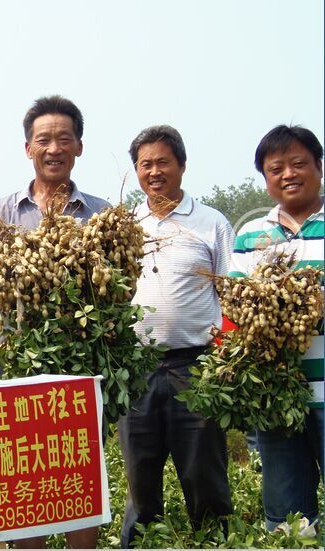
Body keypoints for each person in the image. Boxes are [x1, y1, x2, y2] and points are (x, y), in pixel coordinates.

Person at [0, 95, 110, 549]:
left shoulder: (100, 214)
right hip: (15, 351)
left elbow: (118, 289)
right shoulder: (3, 213)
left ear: (79, 147)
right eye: (44, 140)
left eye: (64, 139)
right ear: (28, 148)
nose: (54, 149)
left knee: (81, 464)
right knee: (20, 465)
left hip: (82, 350)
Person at [118, 125, 234, 547]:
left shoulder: (211, 223)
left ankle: (215, 542)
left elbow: (232, 295)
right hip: (138, 371)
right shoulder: (125, 225)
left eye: (163, 162)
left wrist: (225, 363)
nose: (154, 172)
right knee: (139, 481)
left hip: (196, 367)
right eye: (145, 164)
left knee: (205, 478)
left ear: (182, 165)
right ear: (136, 171)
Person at [231, 125, 323, 532]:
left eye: (299, 163)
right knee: (288, 518)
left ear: (319, 167)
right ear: (265, 178)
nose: (288, 174)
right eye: (276, 168)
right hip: (276, 394)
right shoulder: (251, 234)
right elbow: (236, 304)